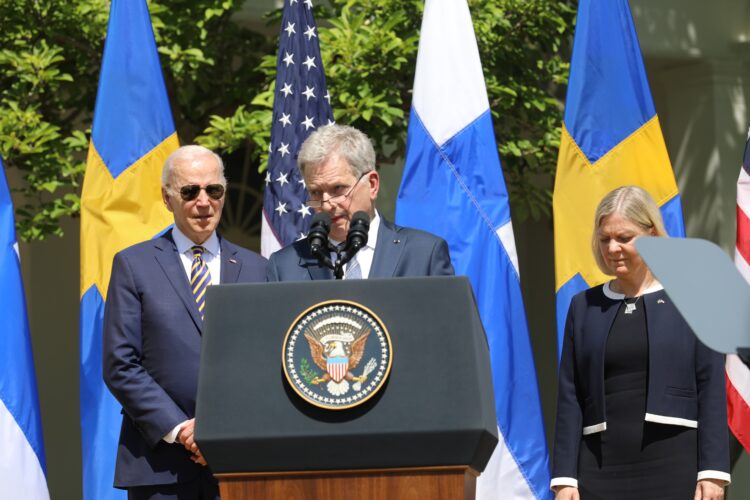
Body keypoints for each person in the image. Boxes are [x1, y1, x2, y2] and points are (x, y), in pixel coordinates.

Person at [103, 145, 267, 499]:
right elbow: (121, 364)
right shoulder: (134, 266)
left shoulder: (258, 269)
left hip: (240, 465)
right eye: (190, 191)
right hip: (161, 466)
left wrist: (223, 431)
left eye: (214, 190)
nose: (204, 202)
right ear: (167, 198)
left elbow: (264, 362)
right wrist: (183, 430)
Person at [551, 186, 730, 500]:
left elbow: (711, 384)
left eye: (624, 238)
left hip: (676, 465)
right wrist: (565, 477)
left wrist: (713, 471)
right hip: (598, 469)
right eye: (605, 238)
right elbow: (570, 394)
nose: (613, 248)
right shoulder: (584, 306)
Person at [266, 124, 454, 280]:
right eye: (316, 192)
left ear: (372, 185)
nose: (326, 204)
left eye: (338, 189)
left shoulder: (424, 254)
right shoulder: (284, 266)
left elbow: (448, 324)